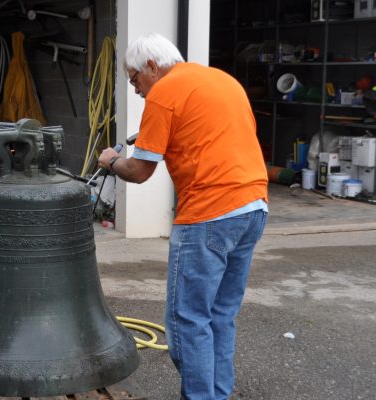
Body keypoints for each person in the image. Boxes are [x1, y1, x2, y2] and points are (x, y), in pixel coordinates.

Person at [98, 34, 268, 400]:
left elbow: (140, 171)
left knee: (188, 320)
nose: (136, 89)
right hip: (254, 206)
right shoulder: (223, 81)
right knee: (220, 315)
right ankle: (216, 395)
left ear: (152, 67)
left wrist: (110, 161)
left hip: (209, 214)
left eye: (134, 79)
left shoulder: (165, 92)